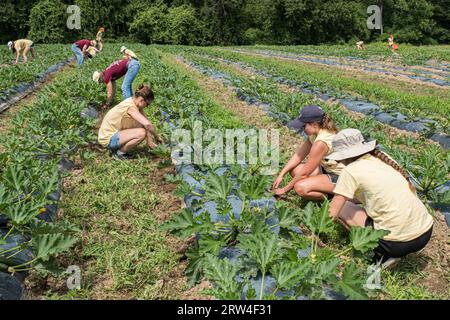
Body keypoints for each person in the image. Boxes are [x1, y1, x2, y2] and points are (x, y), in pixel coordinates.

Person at [328, 129, 433, 264]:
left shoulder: (350, 171)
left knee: (345, 207)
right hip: (425, 233)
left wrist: (315, 231)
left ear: (342, 156)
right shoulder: (382, 157)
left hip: (395, 244)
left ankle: (377, 253)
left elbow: (331, 214)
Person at [272, 105, 345, 200]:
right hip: (327, 170)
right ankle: (326, 189)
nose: (302, 129)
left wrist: (284, 190)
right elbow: (298, 156)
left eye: (303, 126)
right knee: (295, 169)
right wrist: (281, 175)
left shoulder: (321, 142)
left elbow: (304, 173)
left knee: (300, 187)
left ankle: (332, 197)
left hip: (342, 177)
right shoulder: (315, 134)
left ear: (314, 124)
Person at [98, 85, 164, 160]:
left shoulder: (133, 102)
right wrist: (157, 137)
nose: (147, 106)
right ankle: (119, 153)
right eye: (148, 104)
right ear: (142, 100)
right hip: (108, 139)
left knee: (141, 126)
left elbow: (146, 122)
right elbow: (147, 125)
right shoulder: (130, 107)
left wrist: (150, 141)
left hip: (111, 135)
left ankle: (118, 149)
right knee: (141, 133)